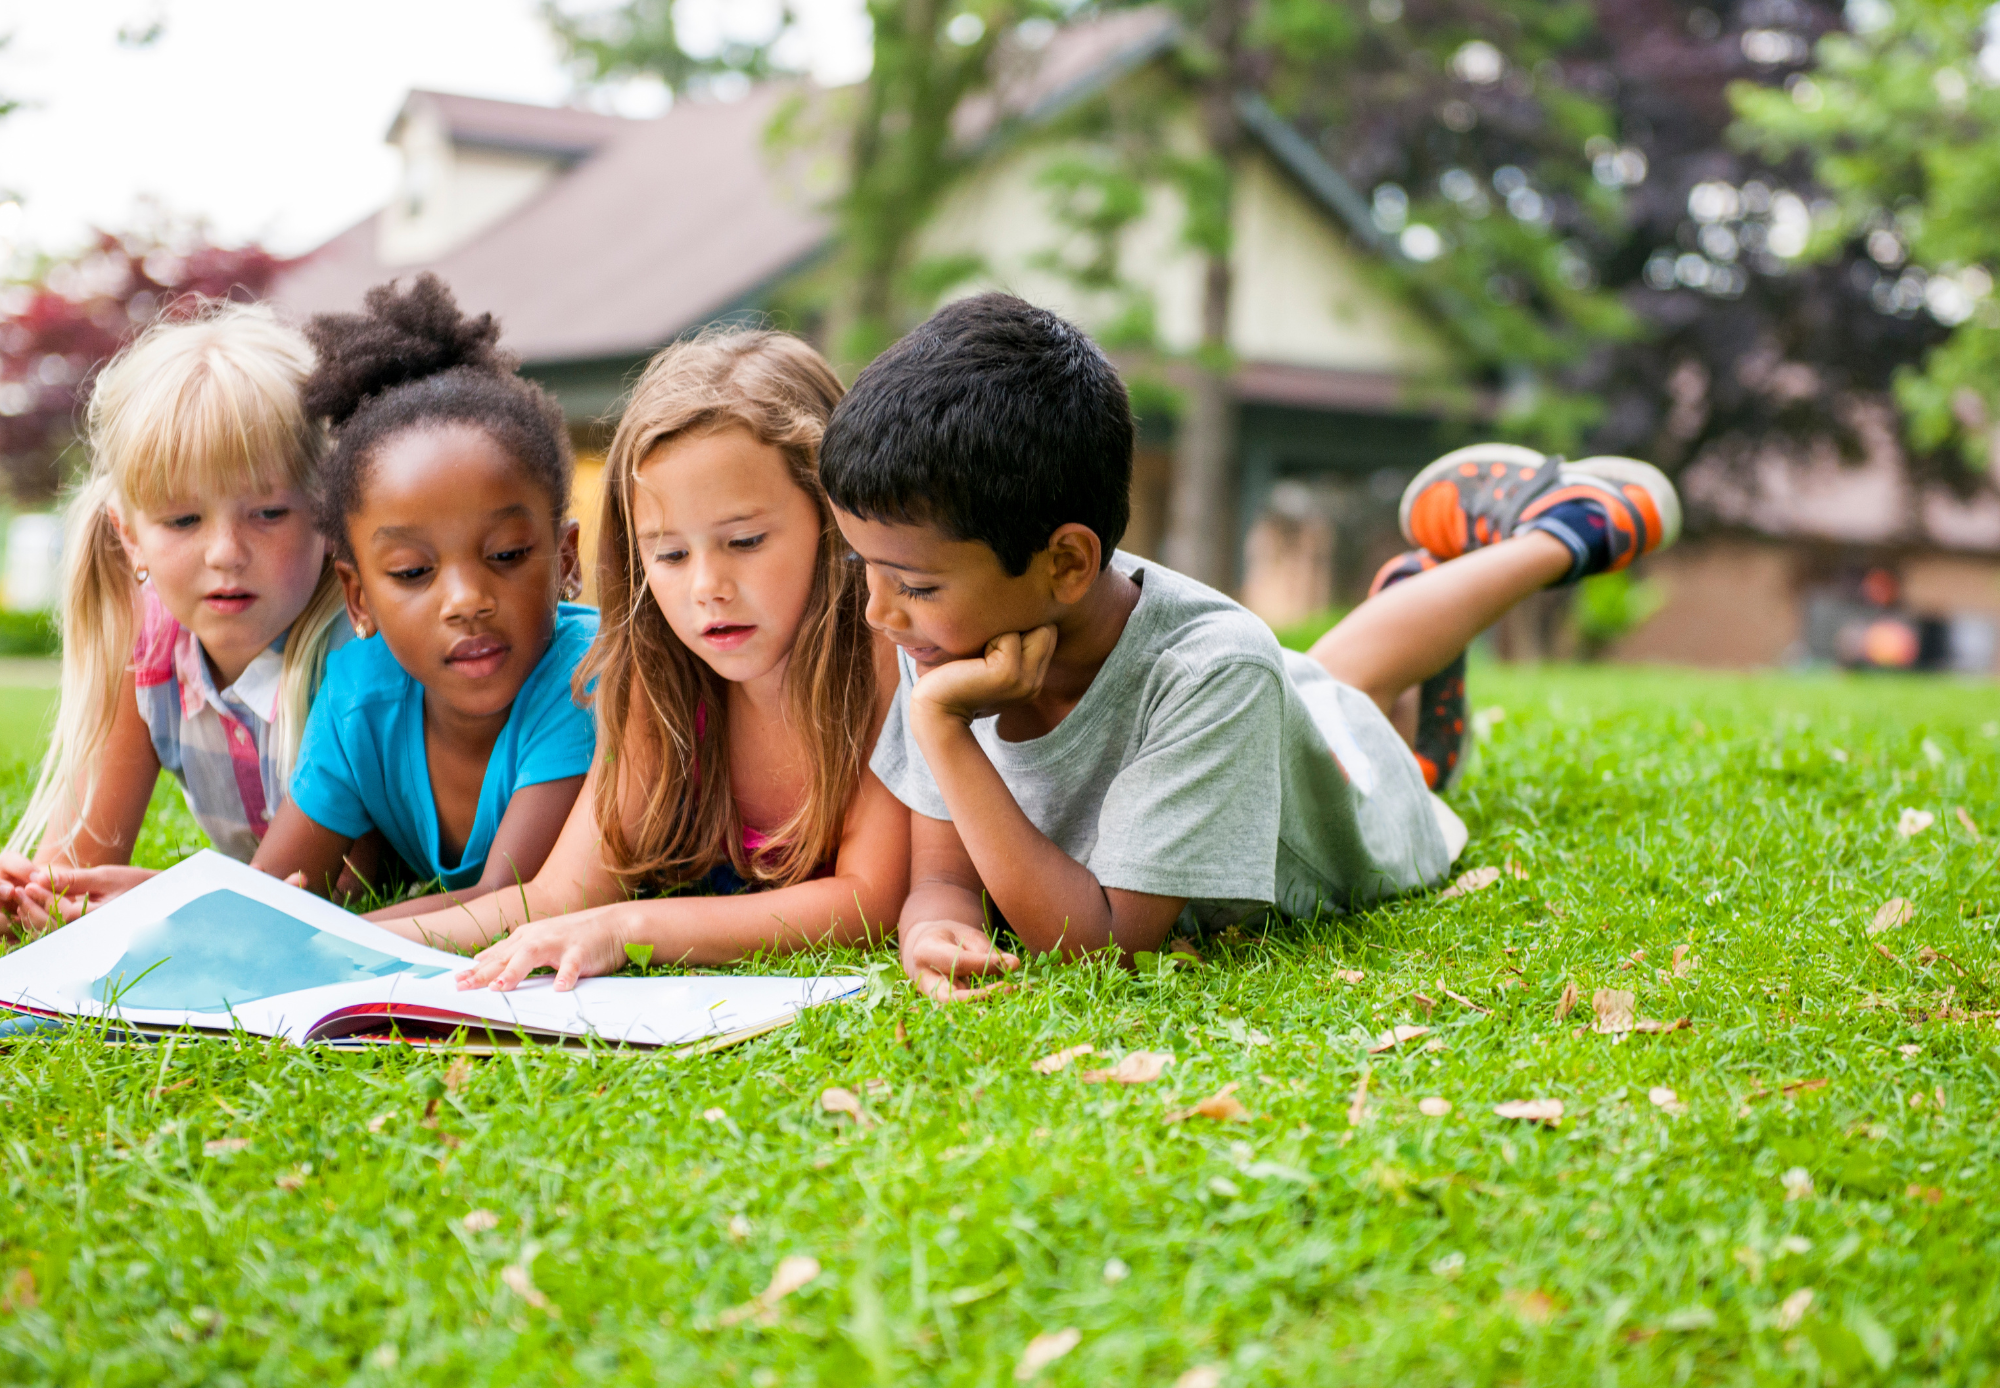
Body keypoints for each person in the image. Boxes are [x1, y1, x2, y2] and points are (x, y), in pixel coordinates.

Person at [820, 293, 1679, 1000]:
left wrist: (942, 732)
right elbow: (942, 873)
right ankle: (1435, 593)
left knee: (1352, 713)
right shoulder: (942, 621)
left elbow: (1107, 947)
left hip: (1356, 796)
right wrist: (938, 923)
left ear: (1068, 562)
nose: (878, 613)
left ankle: (1564, 530)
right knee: (1331, 679)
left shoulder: (1211, 668)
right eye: (870, 570)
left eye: (914, 585)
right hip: (1271, 698)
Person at [374, 328, 908, 979]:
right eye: (671, 553)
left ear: (834, 522)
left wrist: (630, 929)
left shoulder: (888, 656)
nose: (707, 587)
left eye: (743, 541)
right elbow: (561, 897)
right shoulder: (661, 678)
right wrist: (336, 938)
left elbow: (870, 899)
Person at [249, 276, 595, 921]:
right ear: (357, 597)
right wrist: (156, 909)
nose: (466, 600)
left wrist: (327, 938)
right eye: (412, 571)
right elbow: (271, 895)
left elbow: (511, 902)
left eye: (507, 556)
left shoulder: (586, 677)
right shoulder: (361, 691)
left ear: (566, 560)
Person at [0, 303, 348, 929]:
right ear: (130, 537)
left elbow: (341, 890)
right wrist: (27, 893)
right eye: (183, 520)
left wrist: (172, 900)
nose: (225, 553)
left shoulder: (358, 650)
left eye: (268, 512)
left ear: (326, 513)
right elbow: (77, 867)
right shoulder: (154, 651)